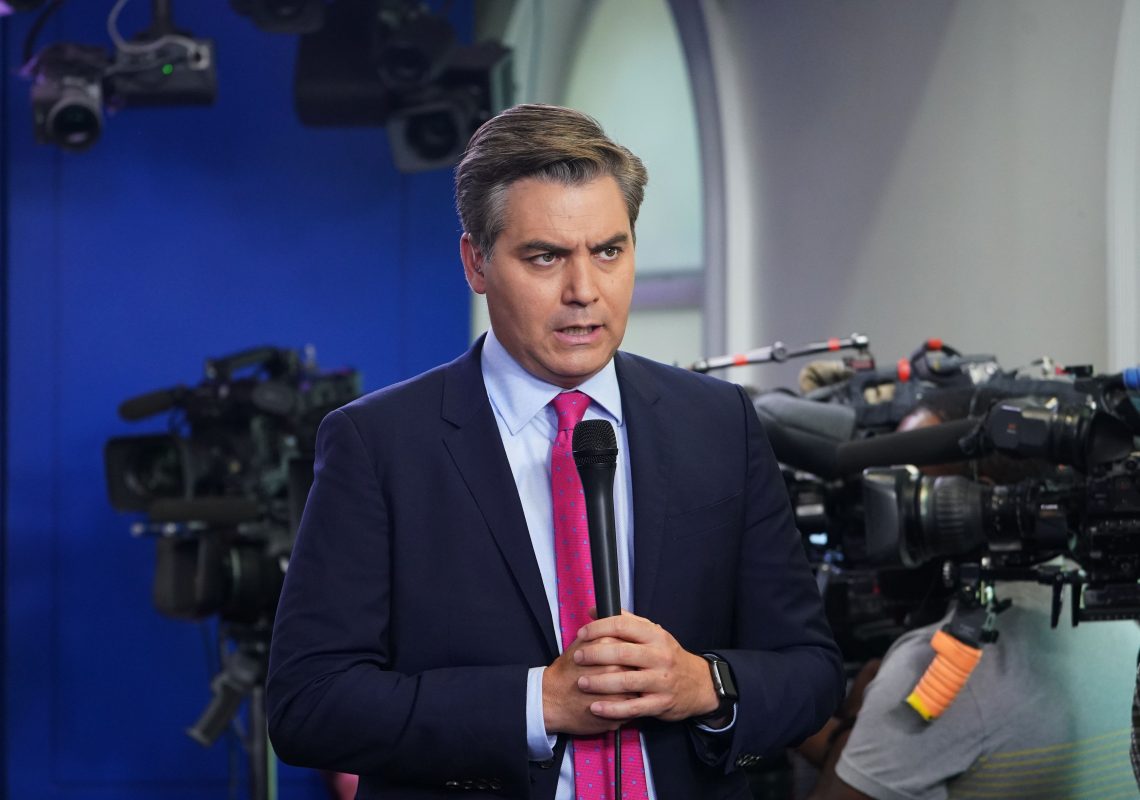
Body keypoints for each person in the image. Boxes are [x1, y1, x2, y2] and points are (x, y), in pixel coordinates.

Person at [265, 103, 844, 799]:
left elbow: (811, 672)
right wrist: (538, 703)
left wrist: (706, 682)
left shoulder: (718, 422)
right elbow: (309, 706)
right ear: (476, 262)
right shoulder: (378, 444)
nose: (584, 292)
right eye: (545, 256)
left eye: (609, 251)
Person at [799, 391, 1140, 800]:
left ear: (969, 505)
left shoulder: (937, 672)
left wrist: (815, 721)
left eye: (911, 486)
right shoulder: (1105, 607)